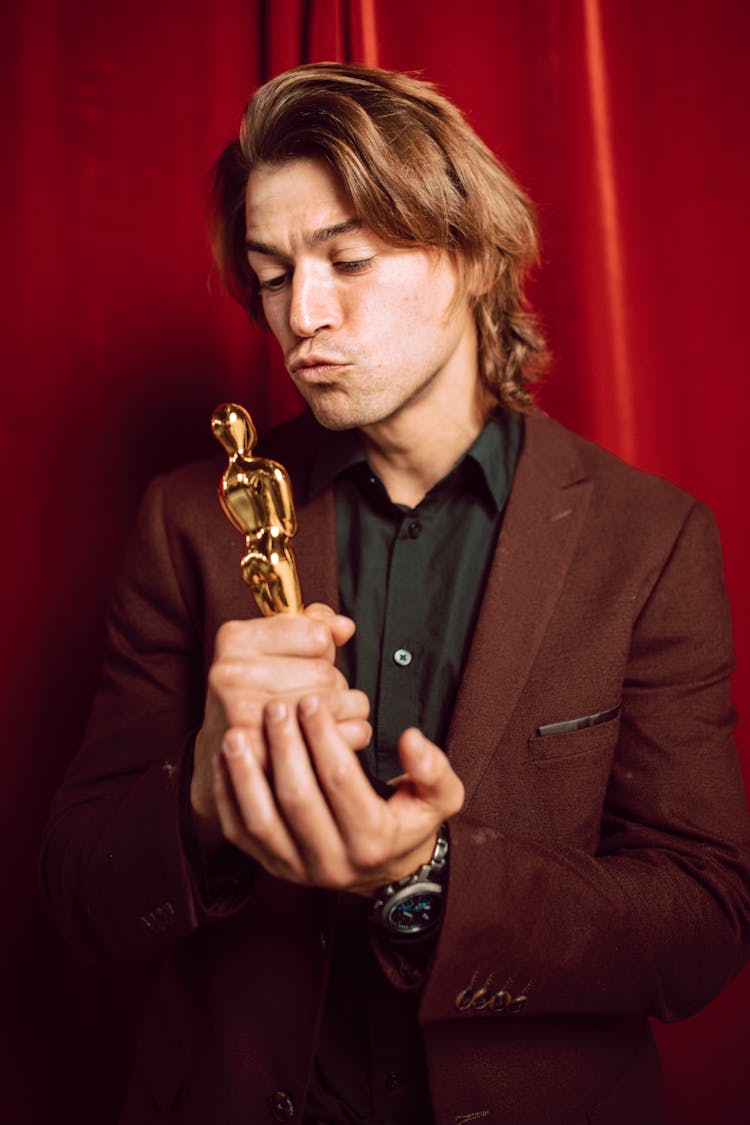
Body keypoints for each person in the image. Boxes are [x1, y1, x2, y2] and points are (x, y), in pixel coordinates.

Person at [41, 62, 750, 1125]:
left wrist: (428, 874)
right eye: (273, 274)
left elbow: (703, 920)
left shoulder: (648, 540)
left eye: (350, 259)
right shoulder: (189, 520)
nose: (300, 317)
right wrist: (201, 799)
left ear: (473, 258)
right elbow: (75, 897)